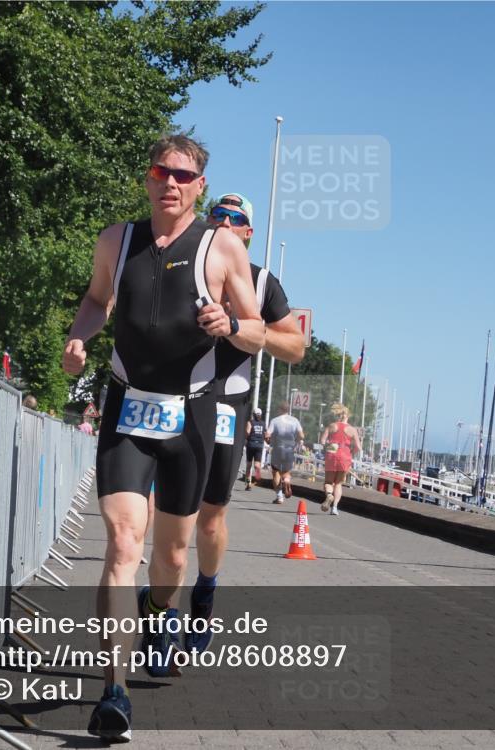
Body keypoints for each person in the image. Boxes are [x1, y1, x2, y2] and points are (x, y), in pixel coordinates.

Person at [61, 135, 264, 743]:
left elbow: (255, 330)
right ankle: (114, 692)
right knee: (124, 542)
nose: (169, 183)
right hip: (127, 406)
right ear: (147, 179)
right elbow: (98, 301)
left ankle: (161, 610)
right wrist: (79, 337)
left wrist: (229, 323)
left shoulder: (222, 246)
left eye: (183, 175)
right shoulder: (116, 240)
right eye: (160, 172)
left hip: (190, 416)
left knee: (171, 557)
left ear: (198, 186)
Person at [185, 193, 304, 652]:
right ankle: (163, 612)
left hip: (226, 406)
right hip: (176, 399)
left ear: (248, 232)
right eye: (217, 214)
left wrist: (244, 328)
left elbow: (295, 348)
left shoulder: (261, 282)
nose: (224, 222)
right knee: (170, 515)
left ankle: (206, 591)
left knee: (210, 519)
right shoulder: (184, 263)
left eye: (236, 218)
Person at [319, 403, 362, 515]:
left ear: (338, 415)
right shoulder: (352, 430)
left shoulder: (331, 426)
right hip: (345, 455)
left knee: (328, 482)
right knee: (338, 483)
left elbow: (322, 441)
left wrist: (329, 447)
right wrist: (351, 452)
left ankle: (329, 495)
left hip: (332, 453)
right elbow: (358, 447)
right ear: (348, 416)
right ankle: (335, 508)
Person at [266, 403, 304, 504]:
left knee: (276, 472)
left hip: (277, 449)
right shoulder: (295, 420)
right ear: (288, 410)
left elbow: (267, 434)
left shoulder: (275, 420)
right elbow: (301, 435)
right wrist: (297, 442)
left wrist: (268, 441)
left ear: (280, 410)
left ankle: (279, 496)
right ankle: (286, 480)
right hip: (289, 449)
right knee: (286, 472)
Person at [244, 406, 267, 490]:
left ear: (253, 414)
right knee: (257, 465)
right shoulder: (264, 423)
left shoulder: (250, 422)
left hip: (251, 445)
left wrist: (245, 437)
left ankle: (248, 483)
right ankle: (257, 475)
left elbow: (247, 432)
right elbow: (266, 434)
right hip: (259, 446)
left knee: (249, 465)